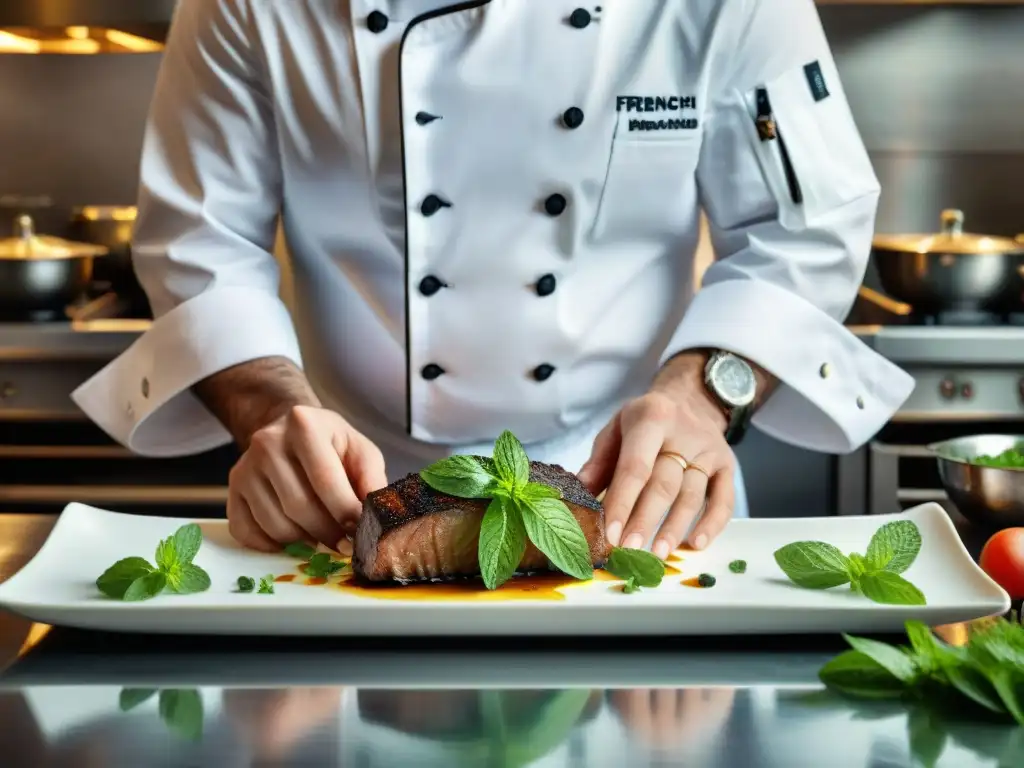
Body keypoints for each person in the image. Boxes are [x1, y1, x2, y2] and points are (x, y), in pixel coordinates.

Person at [73, 0, 914, 559]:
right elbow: (202, 239)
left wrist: (700, 399)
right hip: (353, 497)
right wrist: (272, 414)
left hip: (631, 499)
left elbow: (806, 227)